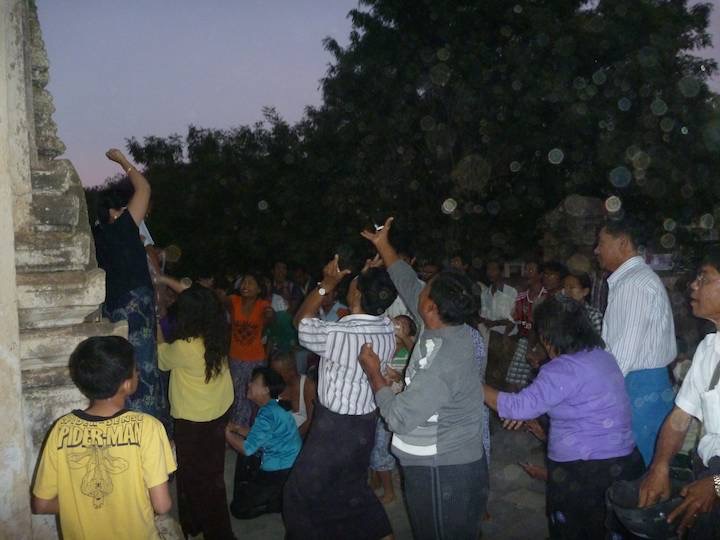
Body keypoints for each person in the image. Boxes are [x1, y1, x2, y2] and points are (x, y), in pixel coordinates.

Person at [359, 218, 488, 540]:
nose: (420, 284)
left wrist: (374, 372)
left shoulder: (444, 359)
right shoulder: (440, 323)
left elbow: (399, 418)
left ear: (430, 306)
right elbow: (405, 280)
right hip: (445, 461)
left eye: (427, 285)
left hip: (441, 469)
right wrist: (383, 245)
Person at [484, 295, 643, 539]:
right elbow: (575, 402)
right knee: (608, 529)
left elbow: (518, 407)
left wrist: (475, 386)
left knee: (576, 531)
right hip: (621, 465)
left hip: (584, 473)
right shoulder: (602, 357)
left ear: (548, 335)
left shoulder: (562, 369)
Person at [283, 256, 397, 540]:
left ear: (356, 293)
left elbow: (301, 322)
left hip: (335, 428)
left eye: (355, 282)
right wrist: (370, 274)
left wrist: (325, 285)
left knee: (298, 495)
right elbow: (374, 305)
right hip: (365, 425)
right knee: (352, 490)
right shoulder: (387, 328)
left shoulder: (339, 333)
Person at [31, 336, 177, 539]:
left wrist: (85, 506)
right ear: (126, 385)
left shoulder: (61, 429)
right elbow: (162, 505)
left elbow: (42, 504)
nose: (138, 373)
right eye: (135, 369)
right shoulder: (148, 428)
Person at [637, 247, 720, 539]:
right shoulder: (709, 349)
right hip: (708, 471)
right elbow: (680, 417)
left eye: (704, 278)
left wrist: (717, 484)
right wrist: (659, 466)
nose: (693, 285)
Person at [92, 148, 168, 431]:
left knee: (122, 371)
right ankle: (147, 436)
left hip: (113, 308)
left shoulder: (97, 239)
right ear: (115, 211)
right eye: (123, 208)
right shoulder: (122, 227)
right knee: (143, 372)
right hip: (134, 309)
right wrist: (122, 161)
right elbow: (144, 187)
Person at [595, 217, 676, 465]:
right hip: (642, 385)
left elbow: (621, 355)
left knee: (642, 469)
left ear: (623, 243)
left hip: (638, 387)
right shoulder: (632, 280)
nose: (596, 250)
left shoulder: (634, 285)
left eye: (601, 242)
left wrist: (595, 395)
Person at [157, 285, 235, 539]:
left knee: (195, 477)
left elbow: (161, 358)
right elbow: (204, 297)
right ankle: (194, 523)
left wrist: (159, 321)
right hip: (217, 411)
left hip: (193, 419)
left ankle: (217, 532)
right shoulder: (220, 331)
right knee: (211, 473)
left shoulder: (184, 346)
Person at [225, 367, 302, 519]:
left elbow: (247, 448)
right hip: (291, 463)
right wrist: (238, 429)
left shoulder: (267, 414)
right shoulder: (273, 406)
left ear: (266, 389)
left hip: (280, 469)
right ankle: (277, 494)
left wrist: (226, 433)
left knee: (238, 510)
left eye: (253, 382)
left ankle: (275, 502)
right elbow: (260, 436)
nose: (249, 385)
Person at [227, 272, 274, 425]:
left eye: (250, 283)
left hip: (255, 359)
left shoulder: (263, 305)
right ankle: (237, 428)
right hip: (235, 356)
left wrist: (270, 315)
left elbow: (271, 317)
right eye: (244, 282)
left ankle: (252, 429)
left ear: (259, 289)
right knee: (237, 395)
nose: (245, 286)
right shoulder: (233, 301)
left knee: (254, 396)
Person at [505, 260, 546, 388]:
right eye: (526, 270)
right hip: (524, 340)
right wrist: (506, 335)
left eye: (531, 270)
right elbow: (514, 320)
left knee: (534, 383)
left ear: (540, 275)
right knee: (513, 381)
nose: (526, 273)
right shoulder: (521, 297)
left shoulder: (547, 296)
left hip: (542, 344)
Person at [269, 351, 317, 438]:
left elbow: (311, 420)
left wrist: (293, 441)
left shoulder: (308, 386)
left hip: (300, 438)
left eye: (278, 373)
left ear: (291, 371)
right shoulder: (276, 386)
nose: (274, 376)